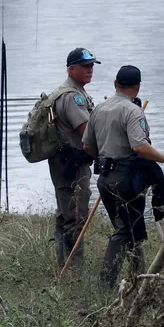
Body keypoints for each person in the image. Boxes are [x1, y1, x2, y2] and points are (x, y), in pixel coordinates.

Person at [82, 65, 164, 288]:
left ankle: (139, 279)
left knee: (131, 228)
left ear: (115, 84)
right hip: (127, 179)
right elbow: (140, 147)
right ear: (138, 87)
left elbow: (87, 145)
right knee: (124, 231)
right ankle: (104, 286)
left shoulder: (99, 109)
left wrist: (106, 156)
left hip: (105, 179)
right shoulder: (133, 111)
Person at [49, 47, 100, 268]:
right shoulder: (73, 97)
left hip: (64, 162)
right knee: (76, 216)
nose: (90, 70)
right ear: (72, 69)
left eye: (91, 66)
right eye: (85, 66)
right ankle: (76, 270)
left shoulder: (69, 91)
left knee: (65, 213)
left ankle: (63, 263)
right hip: (72, 164)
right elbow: (87, 131)